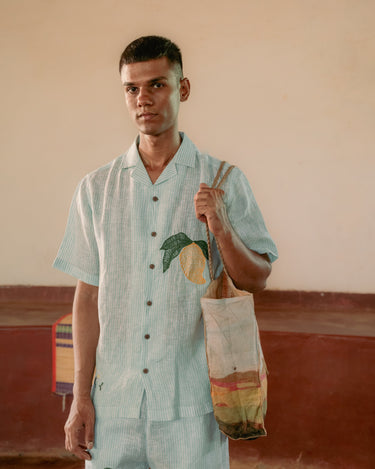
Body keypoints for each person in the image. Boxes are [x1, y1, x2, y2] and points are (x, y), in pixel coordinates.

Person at [54, 35, 278, 469]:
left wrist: (221, 226)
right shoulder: (96, 189)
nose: (144, 99)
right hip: (112, 408)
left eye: (157, 85)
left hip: (193, 406)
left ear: (184, 89)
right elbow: (87, 297)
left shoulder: (223, 180)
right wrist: (80, 398)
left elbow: (257, 279)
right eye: (132, 89)